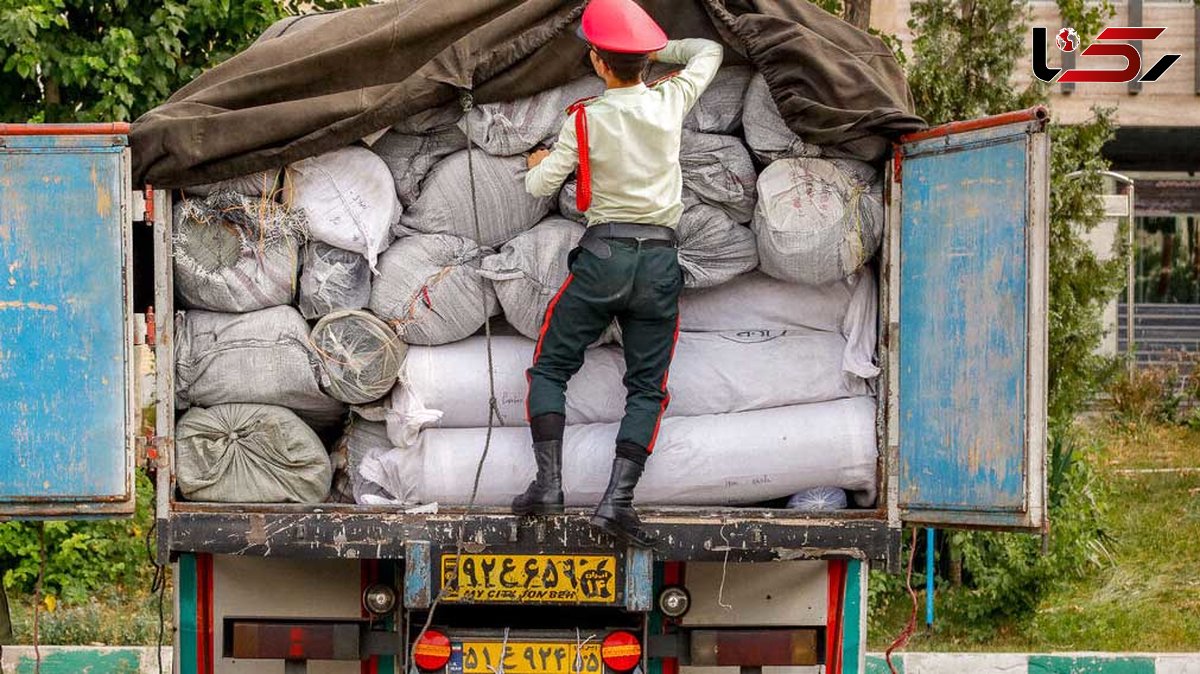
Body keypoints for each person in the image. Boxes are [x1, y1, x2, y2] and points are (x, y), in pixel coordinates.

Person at [513, 0, 723, 547]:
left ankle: (549, 487)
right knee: (647, 388)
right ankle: (617, 501)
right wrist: (660, 49)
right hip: (659, 262)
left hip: (603, 258)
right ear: (645, 62)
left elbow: (538, 189)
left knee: (551, 369)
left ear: (597, 63)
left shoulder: (584, 120)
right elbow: (709, 50)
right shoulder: (671, 99)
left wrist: (539, 166)